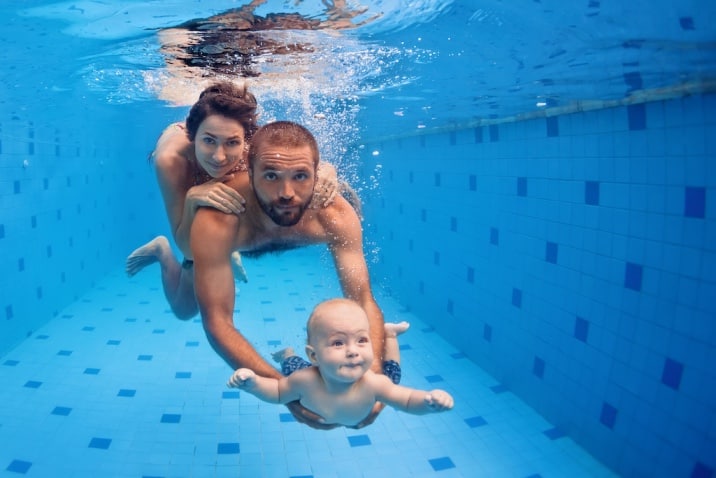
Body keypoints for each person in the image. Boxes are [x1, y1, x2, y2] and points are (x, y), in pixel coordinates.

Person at [189, 121, 383, 428]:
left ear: (317, 176)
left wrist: (375, 380)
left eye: (301, 176)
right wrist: (287, 393)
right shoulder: (218, 219)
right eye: (270, 176)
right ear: (249, 174)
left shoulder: (334, 214)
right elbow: (217, 322)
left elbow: (362, 299)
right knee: (183, 304)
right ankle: (162, 254)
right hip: (237, 237)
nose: (286, 193)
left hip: (282, 225)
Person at [125, 82, 339, 319]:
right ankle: (161, 251)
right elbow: (188, 248)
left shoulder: (255, 149)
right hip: (191, 177)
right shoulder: (171, 160)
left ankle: (228, 249)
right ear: (193, 136)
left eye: (232, 143)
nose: (219, 156)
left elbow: (299, 162)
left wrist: (326, 169)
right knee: (184, 310)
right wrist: (191, 200)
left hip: (224, 173)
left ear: (245, 140)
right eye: (208, 141)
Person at [227, 298, 454, 428]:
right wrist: (253, 383)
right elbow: (277, 392)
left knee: (393, 373)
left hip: (362, 399)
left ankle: (390, 335)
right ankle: (287, 353)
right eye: (338, 343)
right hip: (315, 373)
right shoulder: (304, 380)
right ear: (314, 356)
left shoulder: (375, 384)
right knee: (292, 366)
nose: (353, 351)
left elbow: (405, 400)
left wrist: (428, 402)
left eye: (362, 340)